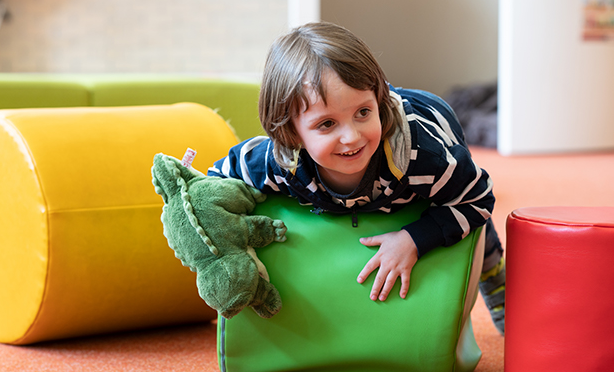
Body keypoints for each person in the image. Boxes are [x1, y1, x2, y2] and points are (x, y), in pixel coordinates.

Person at [207, 22, 505, 334]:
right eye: (326, 124)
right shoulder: (277, 161)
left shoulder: (419, 155)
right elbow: (215, 181)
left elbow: (477, 197)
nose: (351, 137)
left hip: (433, 121)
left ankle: (495, 276)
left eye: (363, 112)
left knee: (468, 215)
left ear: (378, 101)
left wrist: (414, 239)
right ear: (291, 132)